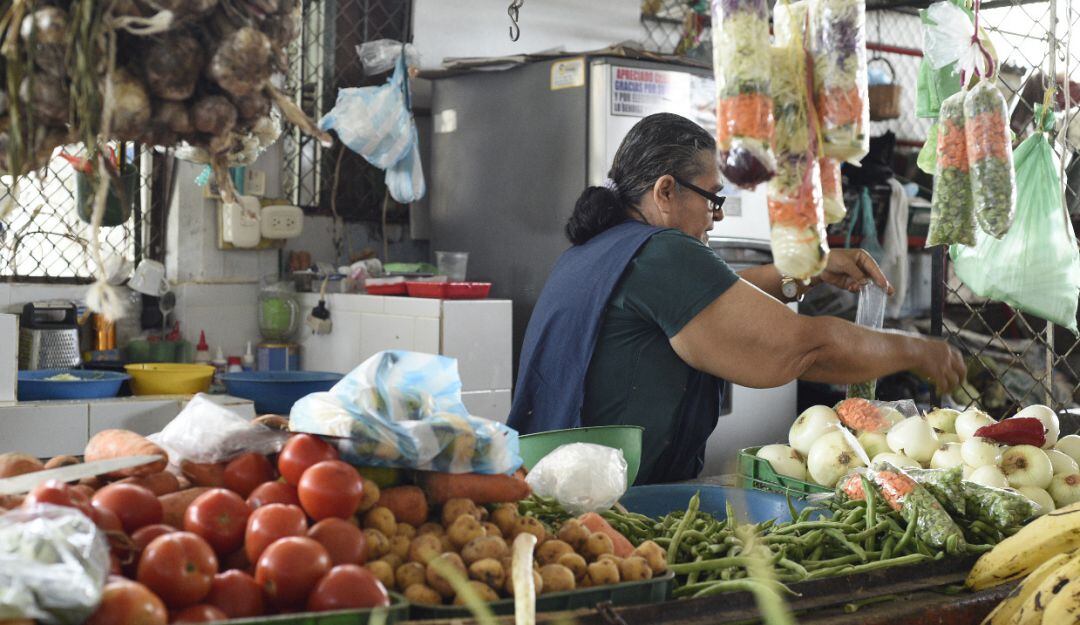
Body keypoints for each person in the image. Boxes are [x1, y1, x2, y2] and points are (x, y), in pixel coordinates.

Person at [507, 113, 966, 485]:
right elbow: (802, 348)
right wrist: (915, 349)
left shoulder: (600, 248)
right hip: (604, 504)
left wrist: (801, 271)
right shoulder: (661, 254)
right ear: (666, 191)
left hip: (555, 486)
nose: (718, 216)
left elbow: (705, 298)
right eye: (712, 197)